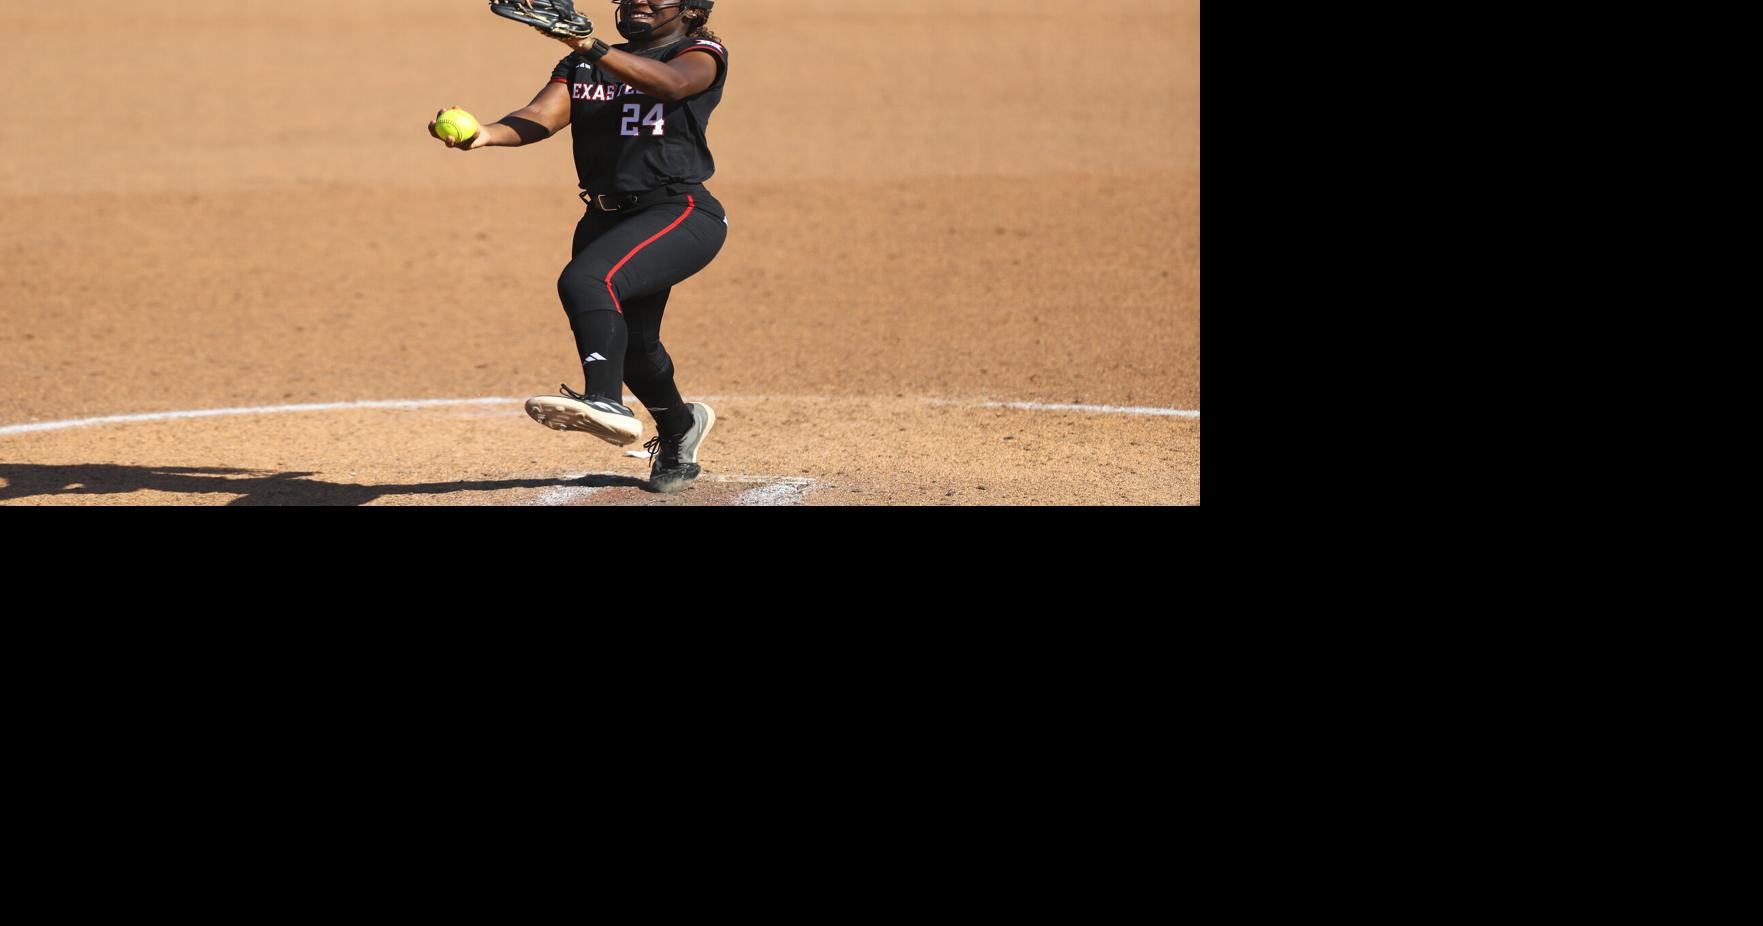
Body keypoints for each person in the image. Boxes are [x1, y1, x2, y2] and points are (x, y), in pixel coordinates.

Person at [429, 0, 730, 493]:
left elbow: (669, 85)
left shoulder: (700, 51)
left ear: (691, 8)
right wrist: (486, 134)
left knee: (588, 280)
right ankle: (679, 429)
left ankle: (604, 401)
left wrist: (588, 41)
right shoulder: (584, 63)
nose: (640, 1)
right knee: (632, 346)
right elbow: (541, 116)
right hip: (604, 217)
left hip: (678, 212)